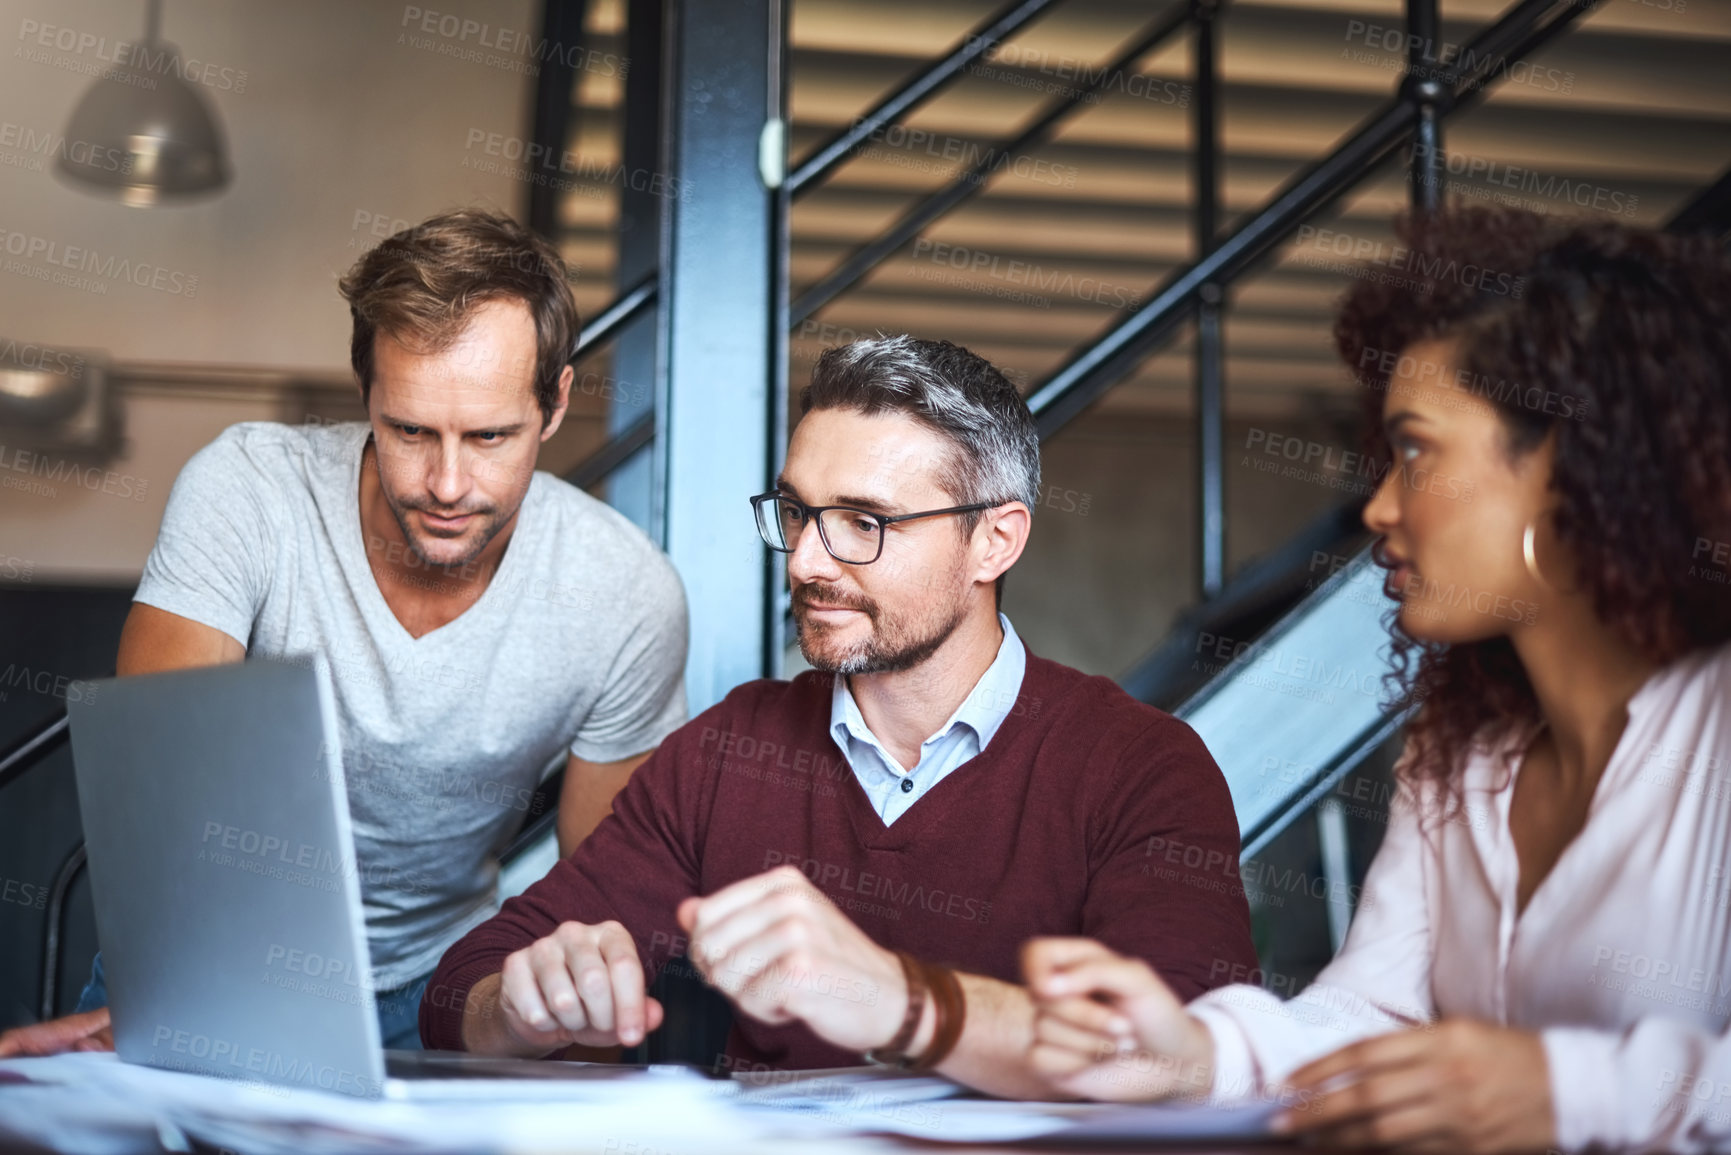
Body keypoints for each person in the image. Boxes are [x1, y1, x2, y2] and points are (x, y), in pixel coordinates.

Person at [1019, 207, 1731, 1153]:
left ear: (1570, 466)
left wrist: (1571, 1090)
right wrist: (1187, 1048)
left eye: (1415, 452)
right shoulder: (1458, 749)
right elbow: (1369, 1011)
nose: (1378, 507)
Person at [419, 335, 1257, 1096]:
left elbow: (1181, 1058)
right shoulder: (728, 750)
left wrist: (896, 997)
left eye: (864, 522)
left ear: (994, 542)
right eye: (797, 513)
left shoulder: (1142, 769)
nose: (810, 561)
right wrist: (523, 1006)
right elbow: (461, 988)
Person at [0, 209, 688, 1056]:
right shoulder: (247, 491)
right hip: (214, 951)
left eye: (489, 436)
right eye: (409, 430)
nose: (445, 482)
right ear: (366, 393)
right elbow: (164, 790)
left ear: (554, 404)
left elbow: (599, 890)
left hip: (448, 986)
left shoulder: (624, 591)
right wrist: (184, 991)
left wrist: (566, 1022)